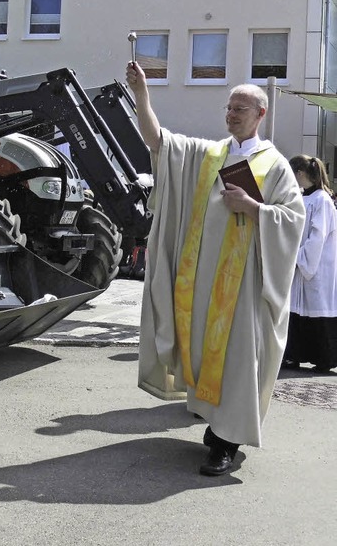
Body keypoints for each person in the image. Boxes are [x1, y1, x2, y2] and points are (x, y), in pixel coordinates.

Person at [125, 61, 305, 476]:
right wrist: (142, 95)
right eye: (228, 107)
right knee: (208, 358)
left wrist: (256, 208)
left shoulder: (274, 164)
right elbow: (158, 142)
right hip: (203, 284)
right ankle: (216, 427)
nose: (231, 114)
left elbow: (294, 221)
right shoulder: (211, 155)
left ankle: (226, 442)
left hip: (243, 289)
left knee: (239, 361)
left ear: (260, 115)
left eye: (240, 109)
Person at [282, 155, 337, 372]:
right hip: (302, 262)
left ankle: (323, 358)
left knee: (316, 309)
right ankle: (294, 355)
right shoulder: (304, 198)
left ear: (300, 174)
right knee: (297, 311)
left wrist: (301, 259)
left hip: (316, 266)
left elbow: (318, 235)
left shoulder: (322, 200)